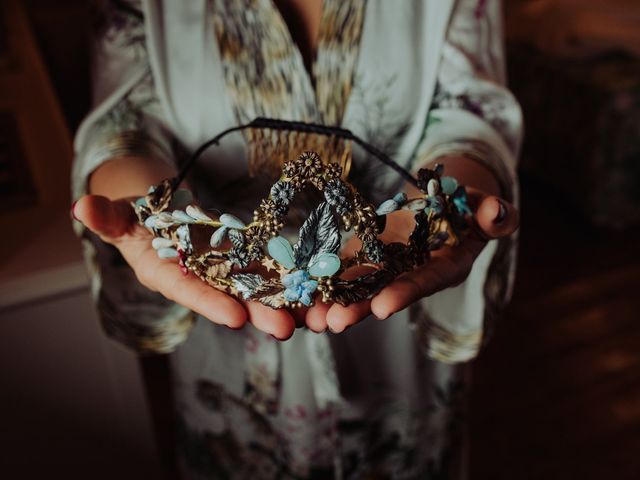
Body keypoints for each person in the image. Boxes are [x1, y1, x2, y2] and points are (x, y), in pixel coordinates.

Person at [72, 0, 521, 478]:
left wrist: (443, 200)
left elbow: (466, 114)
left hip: (396, 339)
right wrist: (141, 201)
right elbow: (128, 122)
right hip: (229, 343)